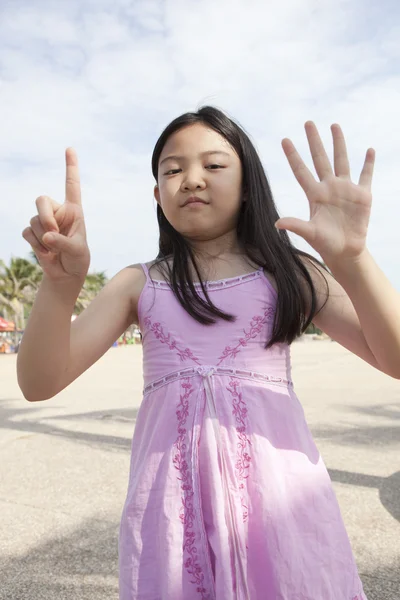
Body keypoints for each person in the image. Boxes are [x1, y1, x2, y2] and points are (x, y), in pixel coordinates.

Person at [17, 106, 400, 600]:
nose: (191, 179)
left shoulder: (292, 274)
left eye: (214, 166)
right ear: (157, 195)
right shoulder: (140, 283)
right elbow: (39, 382)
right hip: (171, 514)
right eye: (172, 169)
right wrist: (60, 286)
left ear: (246, 184)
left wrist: (352, 260)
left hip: (283, 508)